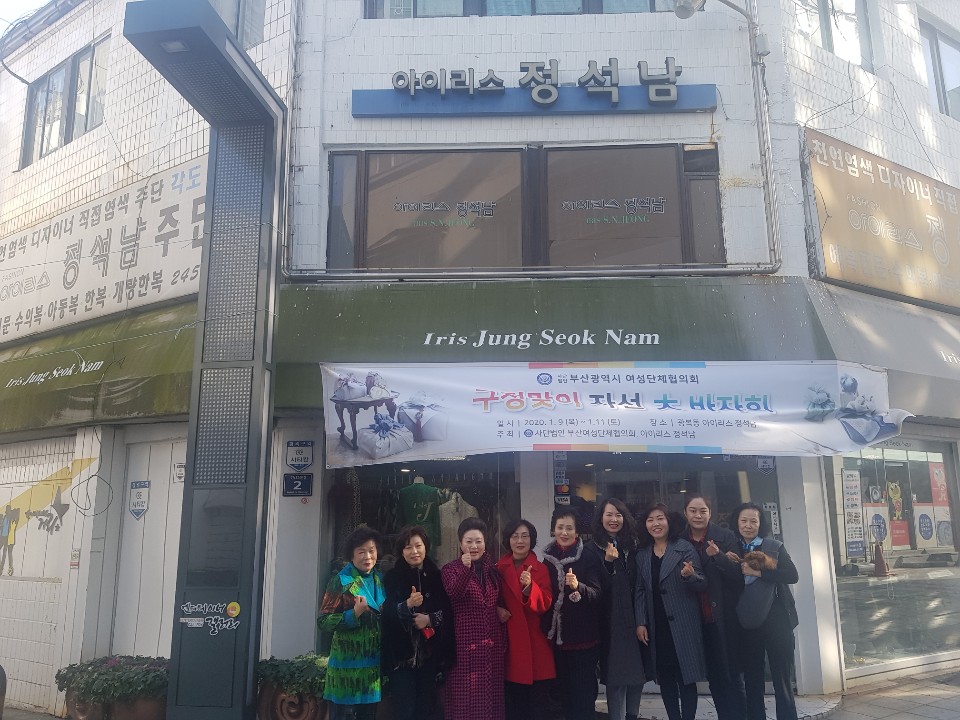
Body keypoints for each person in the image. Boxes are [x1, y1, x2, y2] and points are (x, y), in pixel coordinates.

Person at [634, 503, 707, 720]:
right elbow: (640, 589)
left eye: (660, 519)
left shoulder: (684, 548)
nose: (655, 524)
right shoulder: (642, 554)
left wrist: (690, 576)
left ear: (668, 522)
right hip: (657, 625)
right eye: (650, 520)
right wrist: (641, 621)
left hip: (683, 624)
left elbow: (702, 582)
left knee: (686, 677)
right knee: (665, 678)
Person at [729, 502, 800, 720]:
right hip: (748, 622)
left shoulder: (773, 547)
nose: (748, 525)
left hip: (778, 621)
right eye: (743, 521)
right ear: (736, 523)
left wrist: (759, 574)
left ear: (761, 524)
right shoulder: (732, 549)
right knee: (753, 678)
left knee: (782, 678)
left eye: (753, 521)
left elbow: (792, 575)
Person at [682, 494, 746, 720]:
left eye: (703, 511)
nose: (698, 516)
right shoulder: (680, 541)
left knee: (732, 674)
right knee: (715, 677)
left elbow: (739, 575)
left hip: (723, 617)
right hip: (697, 619)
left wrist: (718, 556)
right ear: (685, 513)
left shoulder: (725, 536)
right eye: (693, 511)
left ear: (710, 513)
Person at [382, 525, 455, 720]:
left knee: (425, 708)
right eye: (408, 547)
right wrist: (406, 605)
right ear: (401, 551)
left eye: (418, 546)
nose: (414, 551)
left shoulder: (437, 576)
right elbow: (386, 613)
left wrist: (429, 619)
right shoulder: (391, 578)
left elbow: (448, 612)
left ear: (426, 547)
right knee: (404, 710)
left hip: (429, 656)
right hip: (401, 658)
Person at [584, 498, 647, 720]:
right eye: (609, 514)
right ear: (600, 518)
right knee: (617, 674)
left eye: (618, 515)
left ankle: (632, 715)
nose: (614, 519)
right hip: (611, 620)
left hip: (637, 615)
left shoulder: (633, 544)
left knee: (638, 672)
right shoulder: (591, 548)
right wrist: (608, 563)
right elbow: (594, 588)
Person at [441, 517, 506, 720]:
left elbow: (496, 600)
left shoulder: (492, 570)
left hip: (491, 646)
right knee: (465, 700)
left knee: (492, 699)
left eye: (478, 541)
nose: (474, 546)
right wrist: (465, 569)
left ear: (485, 543)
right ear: (460, 544)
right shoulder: (450, 569)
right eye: (469, 541)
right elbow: (454, 593)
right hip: (464, 646)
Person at [542, 507, 603, 720]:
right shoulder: (547, 559)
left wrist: (578, 587)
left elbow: (597, 594)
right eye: (560, 527)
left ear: (577, 532)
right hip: (557, 641)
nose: (564, 532)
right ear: (553, 530)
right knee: (563, 695)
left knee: (583, 695)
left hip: (583, 639)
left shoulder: (588, 556)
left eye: (569, 528)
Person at [318, 526, 386, 720]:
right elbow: (323, 621)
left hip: (371, 673)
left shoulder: (380, 580)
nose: (368, 556)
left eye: (371, 550)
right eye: (361, 552)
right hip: (345, 675)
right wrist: (353, 614)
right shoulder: (341, 580)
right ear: (352, 555)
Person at [496, 519, 556, 720]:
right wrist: (496, 609)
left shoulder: (540, 568)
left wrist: (530, 588)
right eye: (515, 536)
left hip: (536, 645)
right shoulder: (498, 568)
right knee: (514, 707)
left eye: (525, 536)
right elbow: (488, 598)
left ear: (532, 540)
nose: (520, 541)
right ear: (508, 540)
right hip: (510, 645)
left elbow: (546, 603)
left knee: (538, 707)